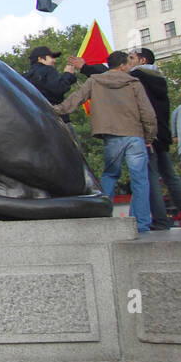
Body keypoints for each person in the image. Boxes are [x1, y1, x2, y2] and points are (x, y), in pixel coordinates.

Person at [54, 50, 157, 233]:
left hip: (111, 135)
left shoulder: (95, 81)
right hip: (134, 135)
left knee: (110, 175)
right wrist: (149, 136)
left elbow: (75, 100)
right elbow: (147, 112)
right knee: (140, 180)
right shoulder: (133, 83)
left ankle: (102, 215)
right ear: (123, 65)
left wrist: (55, 110)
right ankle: (141, 224)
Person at [130, 48, 181, 229]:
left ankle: (160, 220)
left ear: (142, 59)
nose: (129, 61)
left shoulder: (137, 77)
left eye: (131, 58)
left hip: (148, 133)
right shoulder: (159, 78)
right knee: (170, 175)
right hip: (162, 133)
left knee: (150, 176)